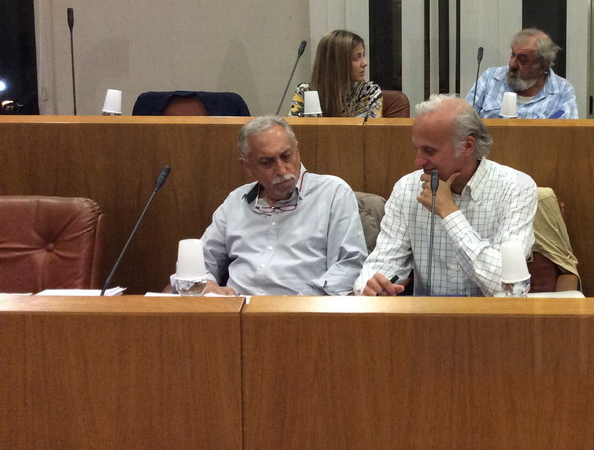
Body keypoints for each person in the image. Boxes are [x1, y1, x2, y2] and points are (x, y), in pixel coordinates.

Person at [354, 95, 538, 296]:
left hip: (492, 314)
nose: (418, 161)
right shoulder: (407, 188)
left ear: (468, 146)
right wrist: (370, 285)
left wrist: (450, 214)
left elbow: (507, 286)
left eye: (429, 151)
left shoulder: (517, 187)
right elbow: (383, 261)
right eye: (417, 149)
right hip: (426, 313)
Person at [199, 116, 367, 295]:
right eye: (267, 163)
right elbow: (200, 262)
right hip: (238, 306)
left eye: (286, 157)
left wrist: (301, 302)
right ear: (247, 166)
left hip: (303, 306)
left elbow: (349, 265)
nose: (281, 170)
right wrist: (207, 285)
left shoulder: (333, 192)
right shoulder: (236, 201)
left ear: (297, 150)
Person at [466, 28, 579, 119]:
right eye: (513, 55)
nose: (512, 64)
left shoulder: (562, 90)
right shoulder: (491, 78)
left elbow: (569, 134)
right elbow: (464, 121)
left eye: (523, 60)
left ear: (542, 66)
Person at [290, 29, 383, 118]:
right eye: (356, 58)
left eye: (363, 56)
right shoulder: (305, 92)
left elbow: (374, 129)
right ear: (335, 63)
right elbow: (293, 128)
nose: (365, 63)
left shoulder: (369, 92)